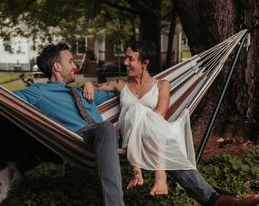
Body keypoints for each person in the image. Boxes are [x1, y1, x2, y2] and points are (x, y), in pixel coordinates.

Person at [13, 43, 259, 206]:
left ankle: (212, 200)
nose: (74, 64)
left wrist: (92, 86)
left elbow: (124, 94)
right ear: (57, 66)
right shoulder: (39, 92)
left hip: (115, 137)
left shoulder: (80, 91)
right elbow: (6, 98)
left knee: (154, 136)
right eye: (69, 61)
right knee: (106, 129)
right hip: (81, 138)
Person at [83, 41, 195, 196]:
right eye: (125, 58)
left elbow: (160, 114)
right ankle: (154, 174)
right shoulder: (120, 84)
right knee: (134, 110)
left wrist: (140, 115)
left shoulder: (162, 85)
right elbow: (97, 87)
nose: (125, 62)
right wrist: (88, 83)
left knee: (137, 110)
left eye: (130, 59)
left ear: (145, 63)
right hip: (130, 135)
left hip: (154, 135)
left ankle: (145, 173)